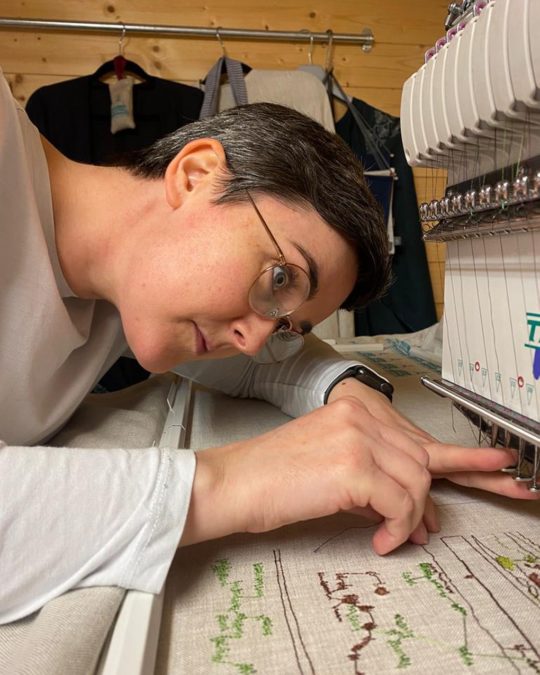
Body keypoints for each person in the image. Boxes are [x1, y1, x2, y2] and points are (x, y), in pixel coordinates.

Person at [0, 67, 535, 625]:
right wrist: (233, 482)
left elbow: (267, 366)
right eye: (280, 279)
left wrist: (354, 397)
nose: (255, 340)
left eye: (287, 325)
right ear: (196, 175)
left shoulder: (121, 299)